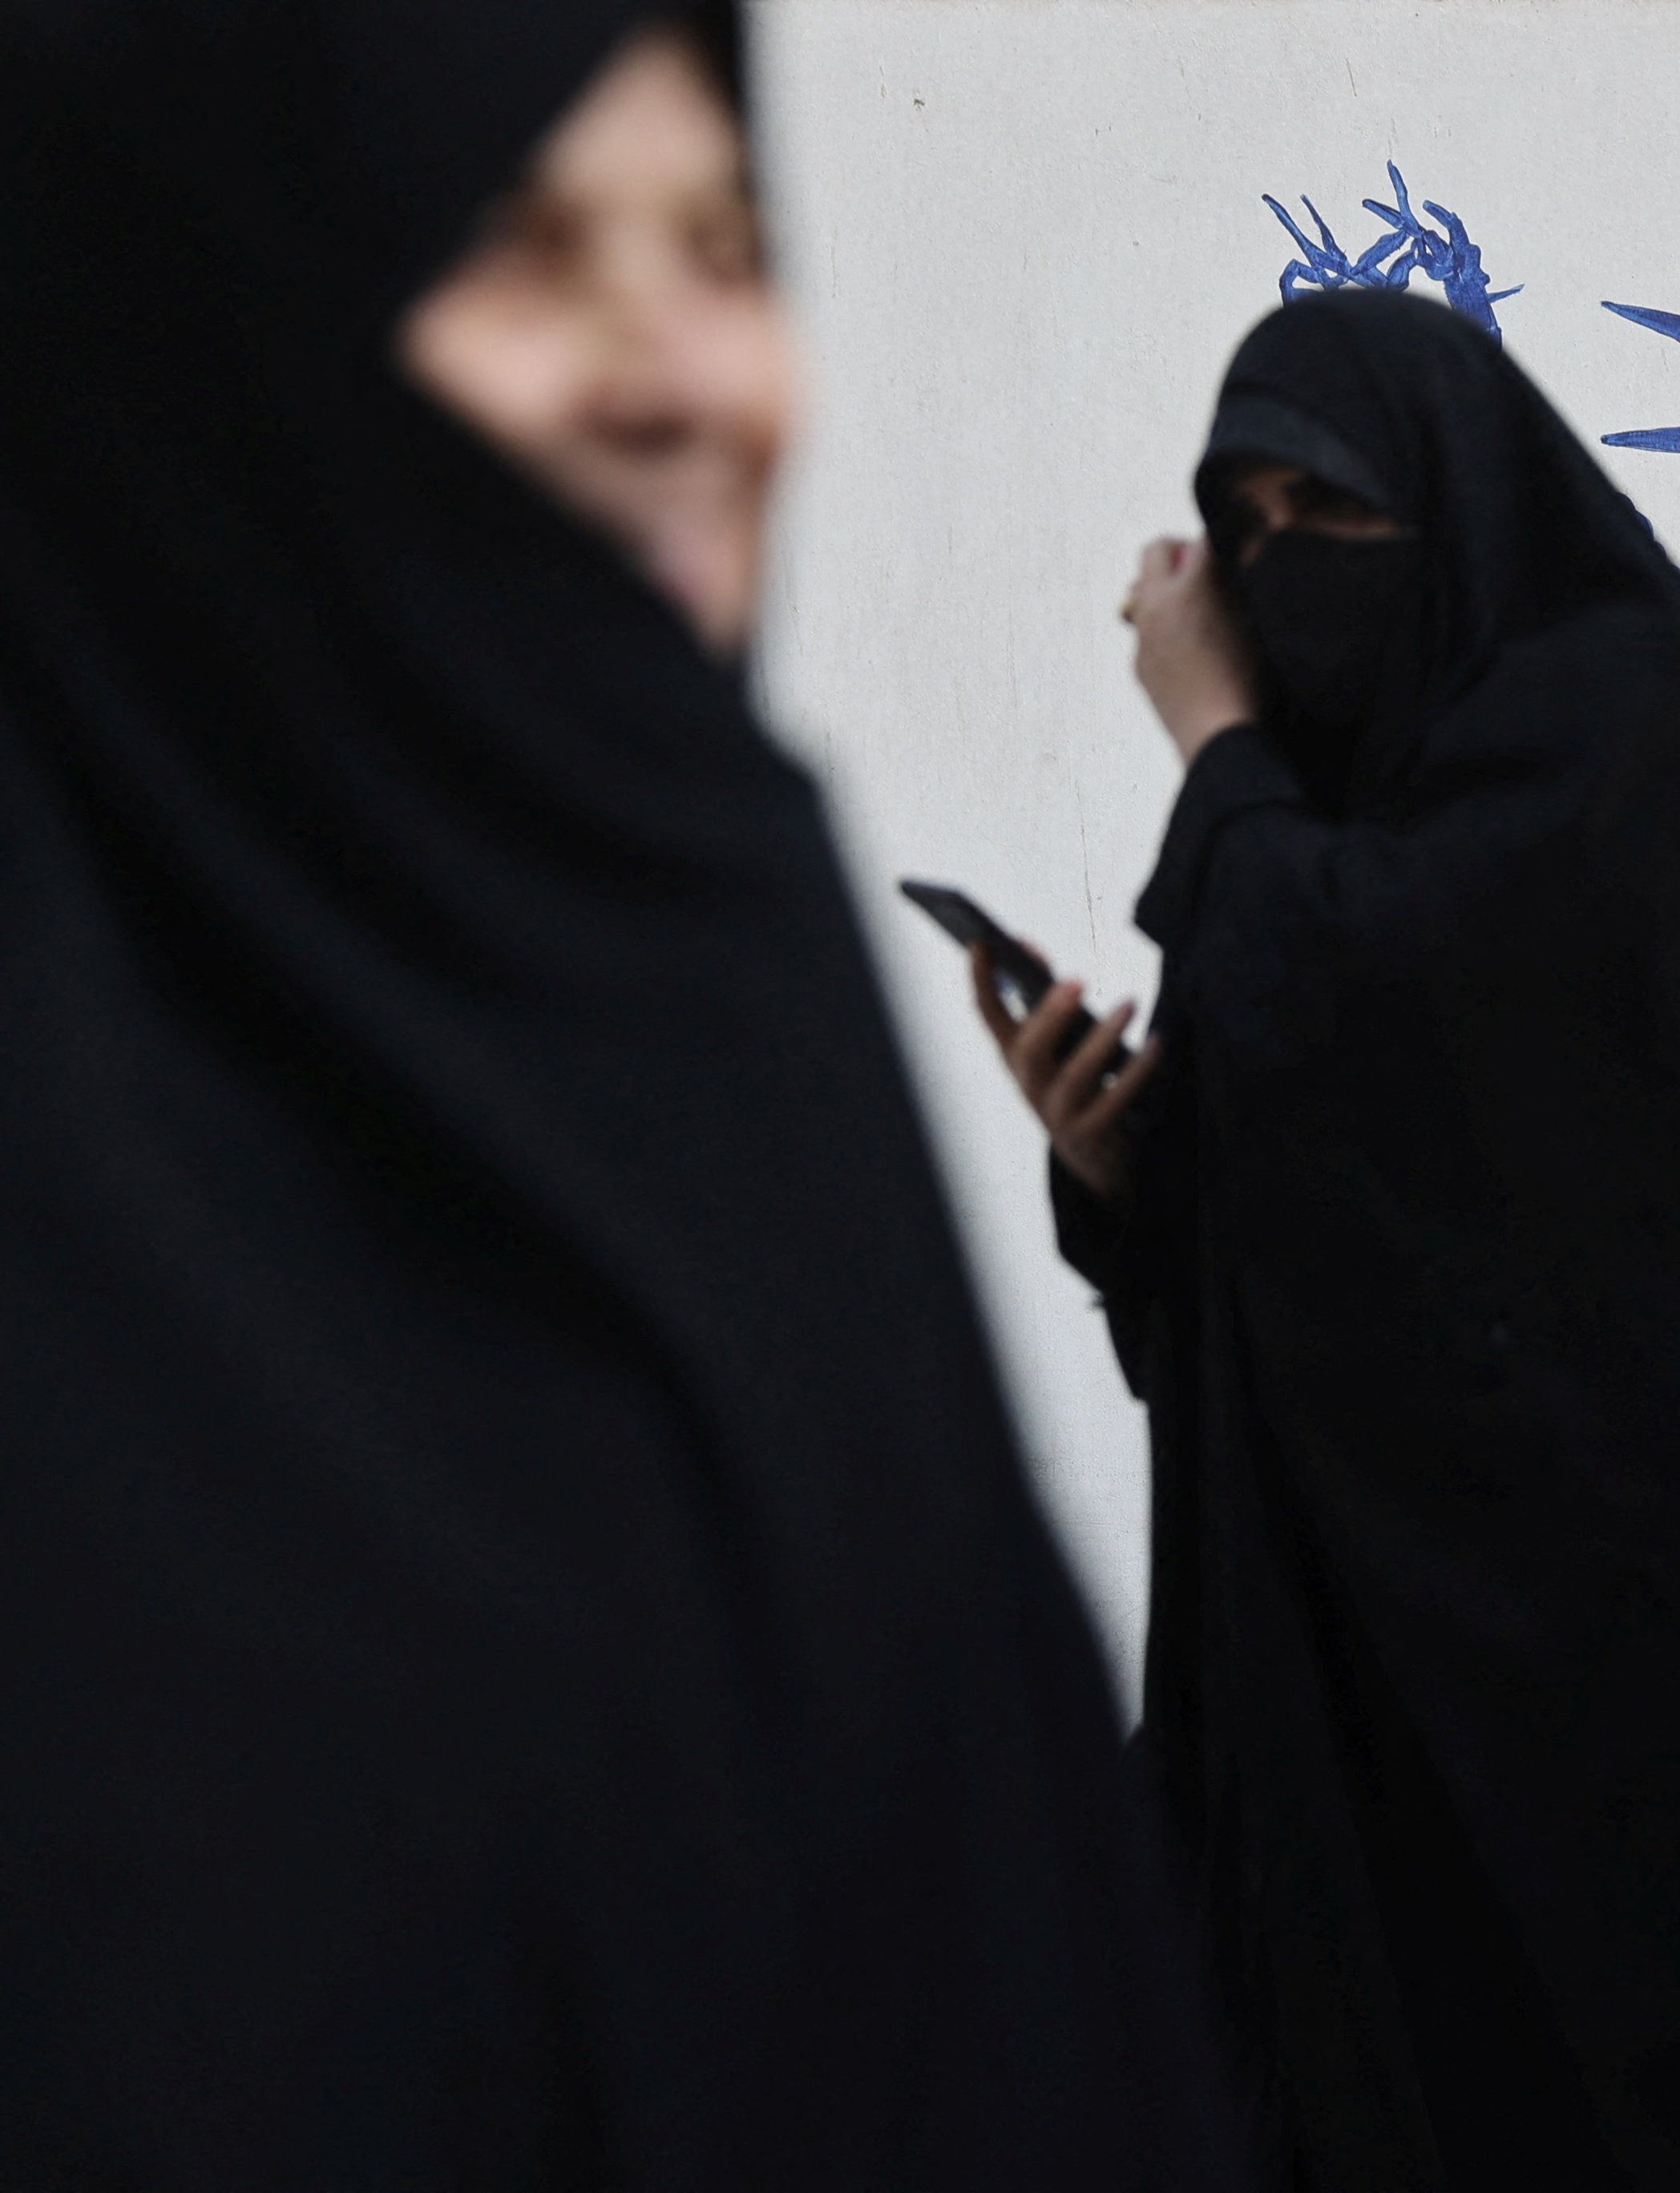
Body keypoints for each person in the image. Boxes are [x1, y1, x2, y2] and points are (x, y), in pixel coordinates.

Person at [0, 6, 1229, 2184]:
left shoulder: (716, 1002)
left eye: (727, 246)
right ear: (216, 305)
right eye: (527, 246)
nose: (689, 376)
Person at [975, 289, 1680, 2191]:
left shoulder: (1627, 727)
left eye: (1328, 515)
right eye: (1244, 531)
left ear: (1459, 500)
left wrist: (1218, 748)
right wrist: (1121, 1181)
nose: (1277, 570)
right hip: (1342, 1728)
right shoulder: (1333, 818)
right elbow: (1310, 1281)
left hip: (1598, 1750)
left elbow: (1460, 1096)